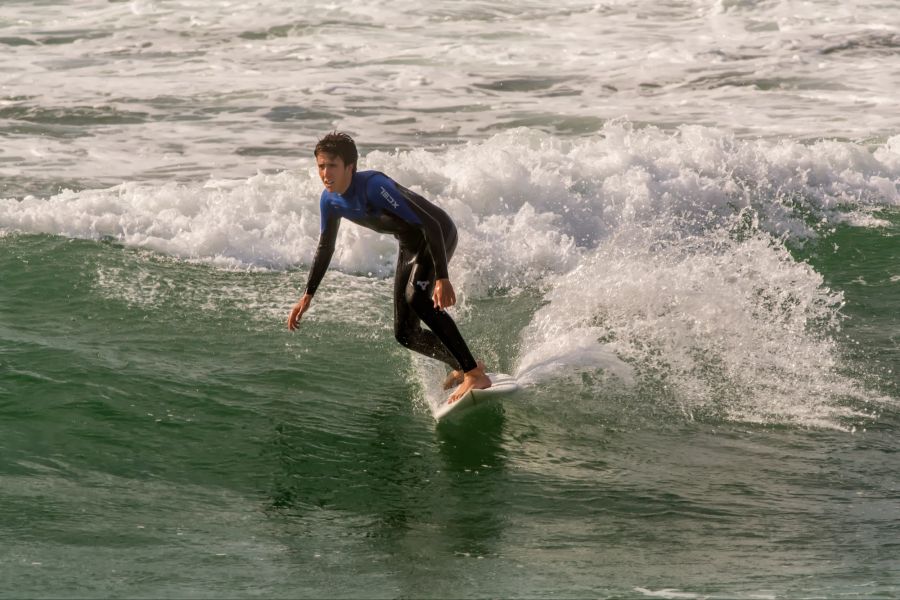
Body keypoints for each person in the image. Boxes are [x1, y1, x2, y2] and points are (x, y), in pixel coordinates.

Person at [287, 132, 491, 403]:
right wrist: (307, 294)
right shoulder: (330, 200)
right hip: (410, 245)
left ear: (350, 167)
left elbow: (429, 223)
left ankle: (474, 374)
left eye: (332, 165)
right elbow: (326, 247)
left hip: (437, 233)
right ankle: (461, 363)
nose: (325, 173)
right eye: (321, 166)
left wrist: (442, 277)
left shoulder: (374, 187)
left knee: (417, 298)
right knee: (405, 334)